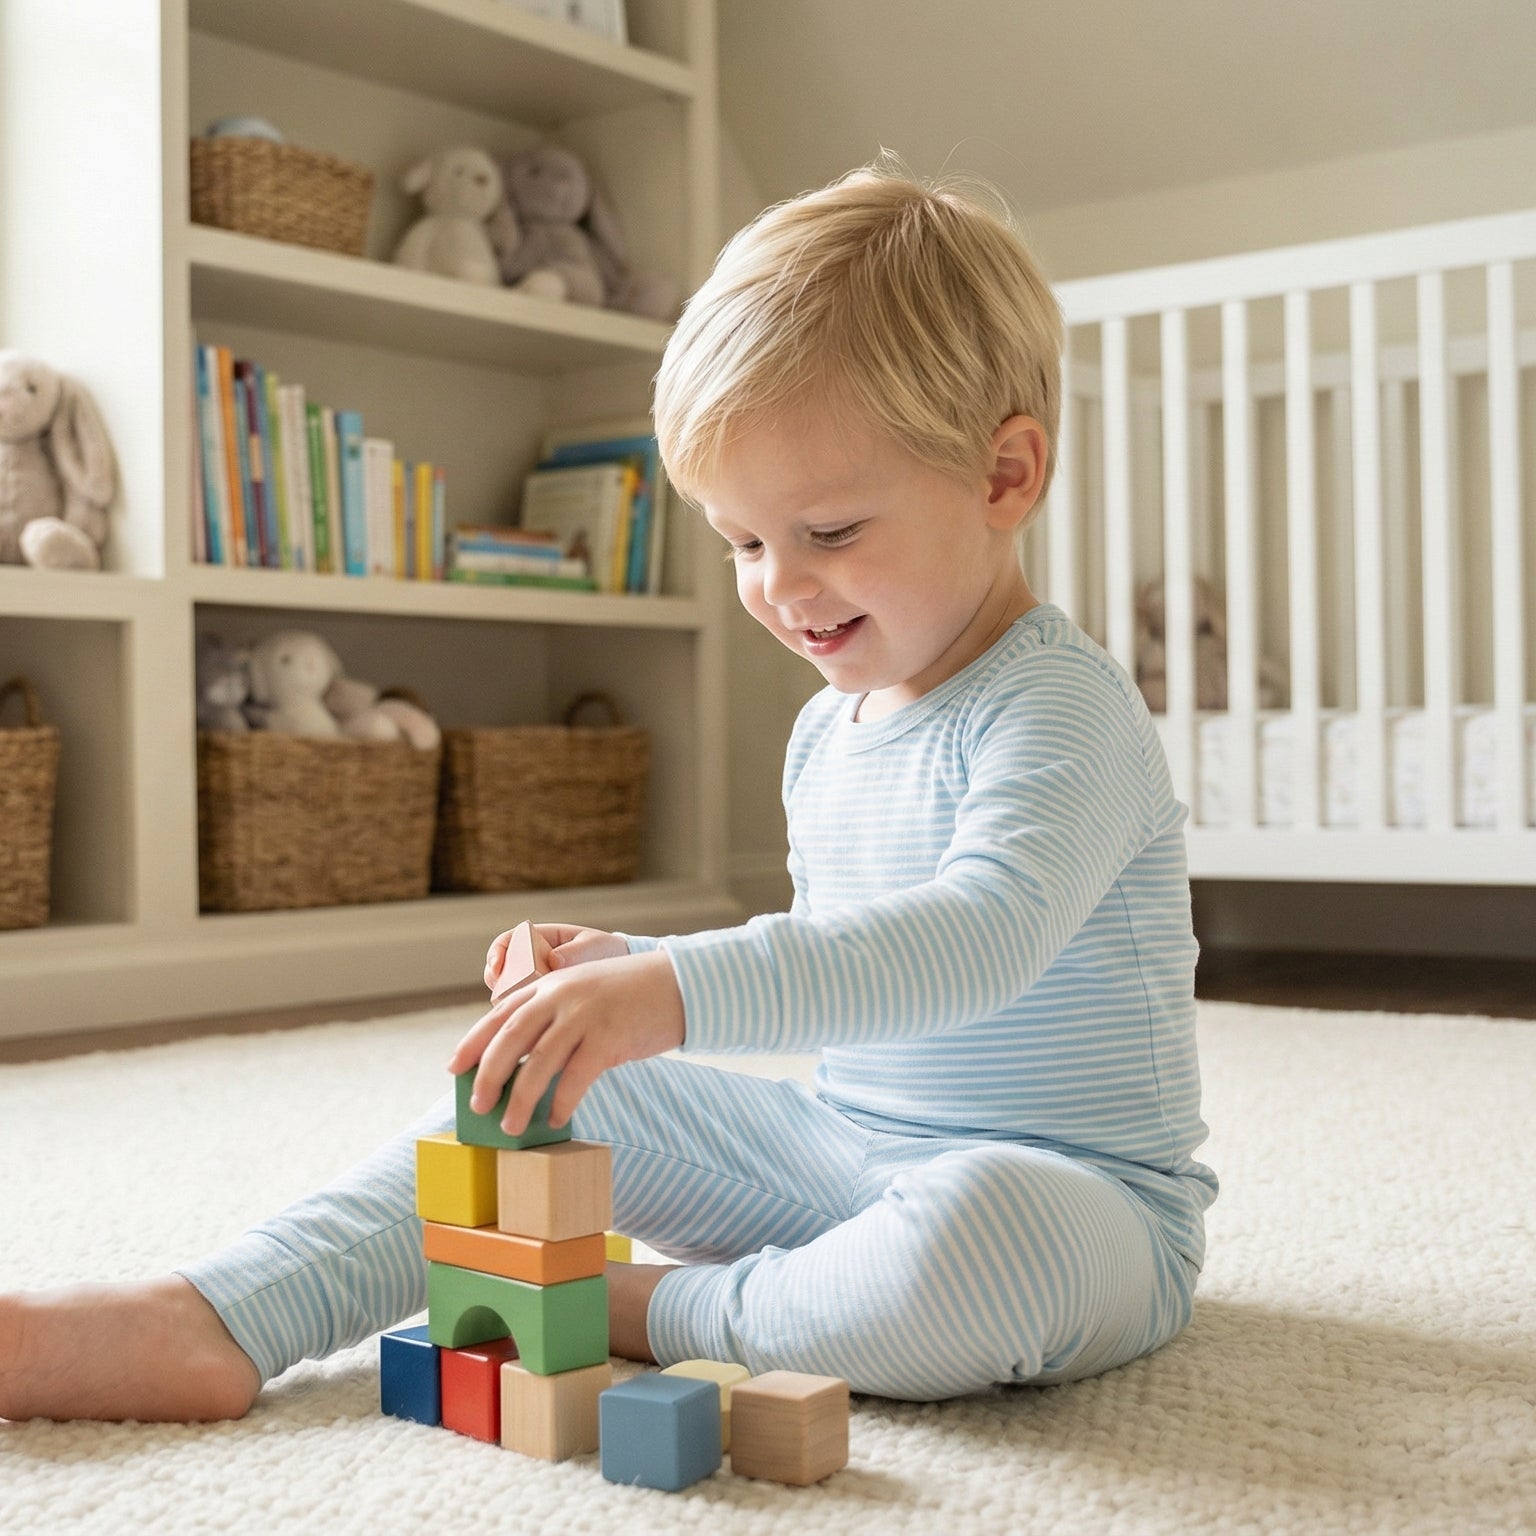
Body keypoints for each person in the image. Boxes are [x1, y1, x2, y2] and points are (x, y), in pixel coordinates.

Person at [0, 162, 1216, 1422]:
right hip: (847, 1161)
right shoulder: (827, 731)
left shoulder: (1061, 709)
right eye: (744, 542)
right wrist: (616, 974)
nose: (781, 590)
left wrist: (670, 988)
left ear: (1004, 476)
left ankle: (639, 1309)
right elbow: (839, 974)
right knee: (547, 1085)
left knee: (981, 1237)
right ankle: (226, 1314)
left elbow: (972, 946)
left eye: (831, 533)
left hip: (1078, 1206)